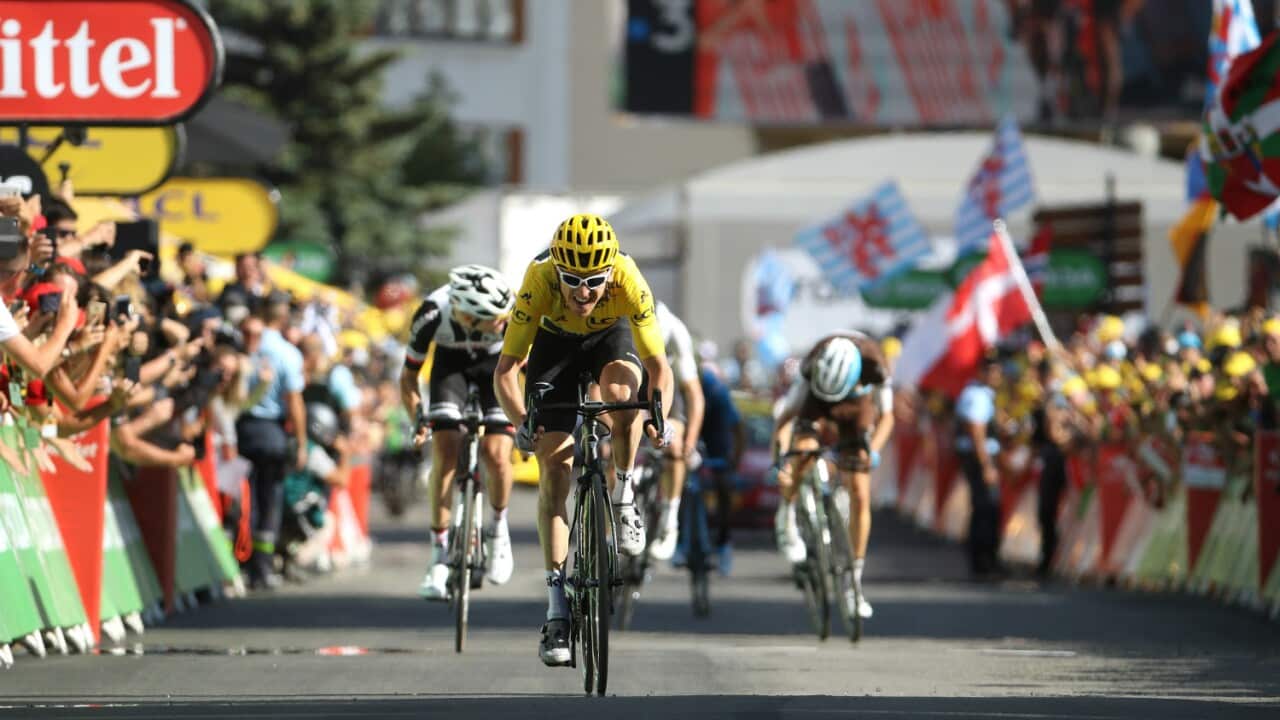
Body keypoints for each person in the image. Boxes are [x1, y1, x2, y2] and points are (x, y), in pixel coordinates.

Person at [492, 213, 674, 667]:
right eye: (572, 279)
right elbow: (506, 370)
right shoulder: (538, 279)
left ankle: (624, 495)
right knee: (555, 468)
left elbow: (659, 367)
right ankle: (556, 609)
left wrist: (658, 416)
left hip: (611, 339)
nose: (583, 292)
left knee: (624, 400)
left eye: (594, 280)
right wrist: (520, 421)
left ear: (609, 272)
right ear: (557, 270)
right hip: (553, 346)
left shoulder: (629, 279)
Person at [400, 264, 517, 599]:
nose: (501, 323)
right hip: (450, 368)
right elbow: (408, 377)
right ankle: (438, 556)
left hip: (496, 367)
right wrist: (417, 417)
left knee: (496, 454)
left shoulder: (510, 316)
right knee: (446, 451)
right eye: (493, 319)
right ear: (467, 315)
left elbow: (524, 371)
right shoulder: (432, 313)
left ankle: (498, 528)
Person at [770, 331, 892, 623]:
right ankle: (787, 514)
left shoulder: (875, 366)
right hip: (816, 400)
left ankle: (853, 582)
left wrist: (873, 450)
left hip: (858, 404)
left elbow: (887, 418)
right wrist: (782, 461)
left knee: (859, 489)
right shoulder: (811, 366)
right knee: (802, 451)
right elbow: (785, 421)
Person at [236, 291, 307, 590]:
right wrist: (301, 441)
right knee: (269, 501)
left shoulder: (245, 342)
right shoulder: (288, 353)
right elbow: (294, 401)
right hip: (271, 431)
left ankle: (242, 563)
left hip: (240, 427)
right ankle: (262, 568)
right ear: (283, 316)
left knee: (245, 498)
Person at [647, 301, 706, 562]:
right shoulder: (623, 320)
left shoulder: (675, 332)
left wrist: (689, 442)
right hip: (634, 383)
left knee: (674, 443)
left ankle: (670, 519)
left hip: (666, 391)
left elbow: (694, 396)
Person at [692, 359, 745, 574]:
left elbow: (737, 427)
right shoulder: (684, 383)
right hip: (690, 419)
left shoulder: (718, 392)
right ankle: (678, 536)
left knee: (724, 484)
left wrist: (735, 460)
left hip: (715, 431)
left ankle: (724, 540)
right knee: (682, 477)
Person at [955, 354, 1004, 579]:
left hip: (977, 456)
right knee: (986, 508)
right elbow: (976, 431)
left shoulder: (979, 393)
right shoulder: (977, 395)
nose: (997, 376)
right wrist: (987, 465)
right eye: (993, 372)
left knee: (984, 508)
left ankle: (984, 560)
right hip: (979, 458)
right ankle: (984, 561)